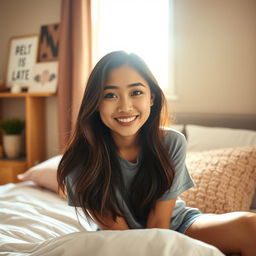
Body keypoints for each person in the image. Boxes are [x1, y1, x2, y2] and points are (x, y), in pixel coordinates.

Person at [57, 51, 256, 256]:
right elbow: (123, 235)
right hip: (120, 237)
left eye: (136, 92)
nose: (125, 106)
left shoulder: (171, 143)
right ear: (96, 103)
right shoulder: (79, 161)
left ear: (151, 97)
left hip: (177, 225)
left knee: (251, 226)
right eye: (110, 95)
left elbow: (160, 223)